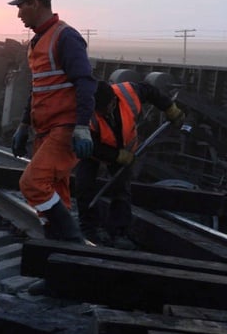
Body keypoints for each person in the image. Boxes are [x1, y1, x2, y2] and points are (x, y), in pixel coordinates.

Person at [8, 0, 96, 243]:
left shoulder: (65, 37)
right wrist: (24, 125)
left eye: (21, 6)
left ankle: (74, 243)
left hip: (65, 129)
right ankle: (60, 268)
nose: (18, 13)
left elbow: (85, 82)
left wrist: (81, 126)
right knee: (56, 196)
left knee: (32, 184)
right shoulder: (37, 42)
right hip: (44, 131)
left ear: (35, 4)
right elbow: (38, 88)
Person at [76, 80, 184, 248]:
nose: (102, 113)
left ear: (112, 101)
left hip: (124, 148)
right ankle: (88, 230)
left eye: (104, 109)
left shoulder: (128, 93)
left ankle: (118, 232)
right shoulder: (86, 110)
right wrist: (117, 156)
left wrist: (169, 107)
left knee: (121, 191)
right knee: (84, 186)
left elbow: (150, 91)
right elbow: (90, 145)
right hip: (94, 151)